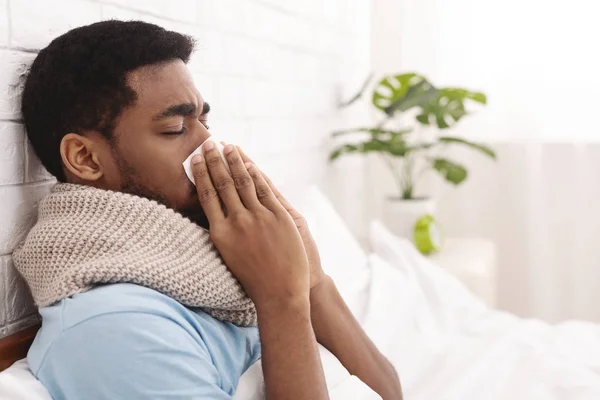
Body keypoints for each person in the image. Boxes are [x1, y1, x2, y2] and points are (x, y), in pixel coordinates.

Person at [18, 20, 403, 399]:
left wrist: (311, 281)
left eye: (203, 121)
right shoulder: (113, 329)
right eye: (174, 129)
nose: (209, 146)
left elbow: (388, 394)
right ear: (85, 157)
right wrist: (279, 298)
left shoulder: (222, 272)